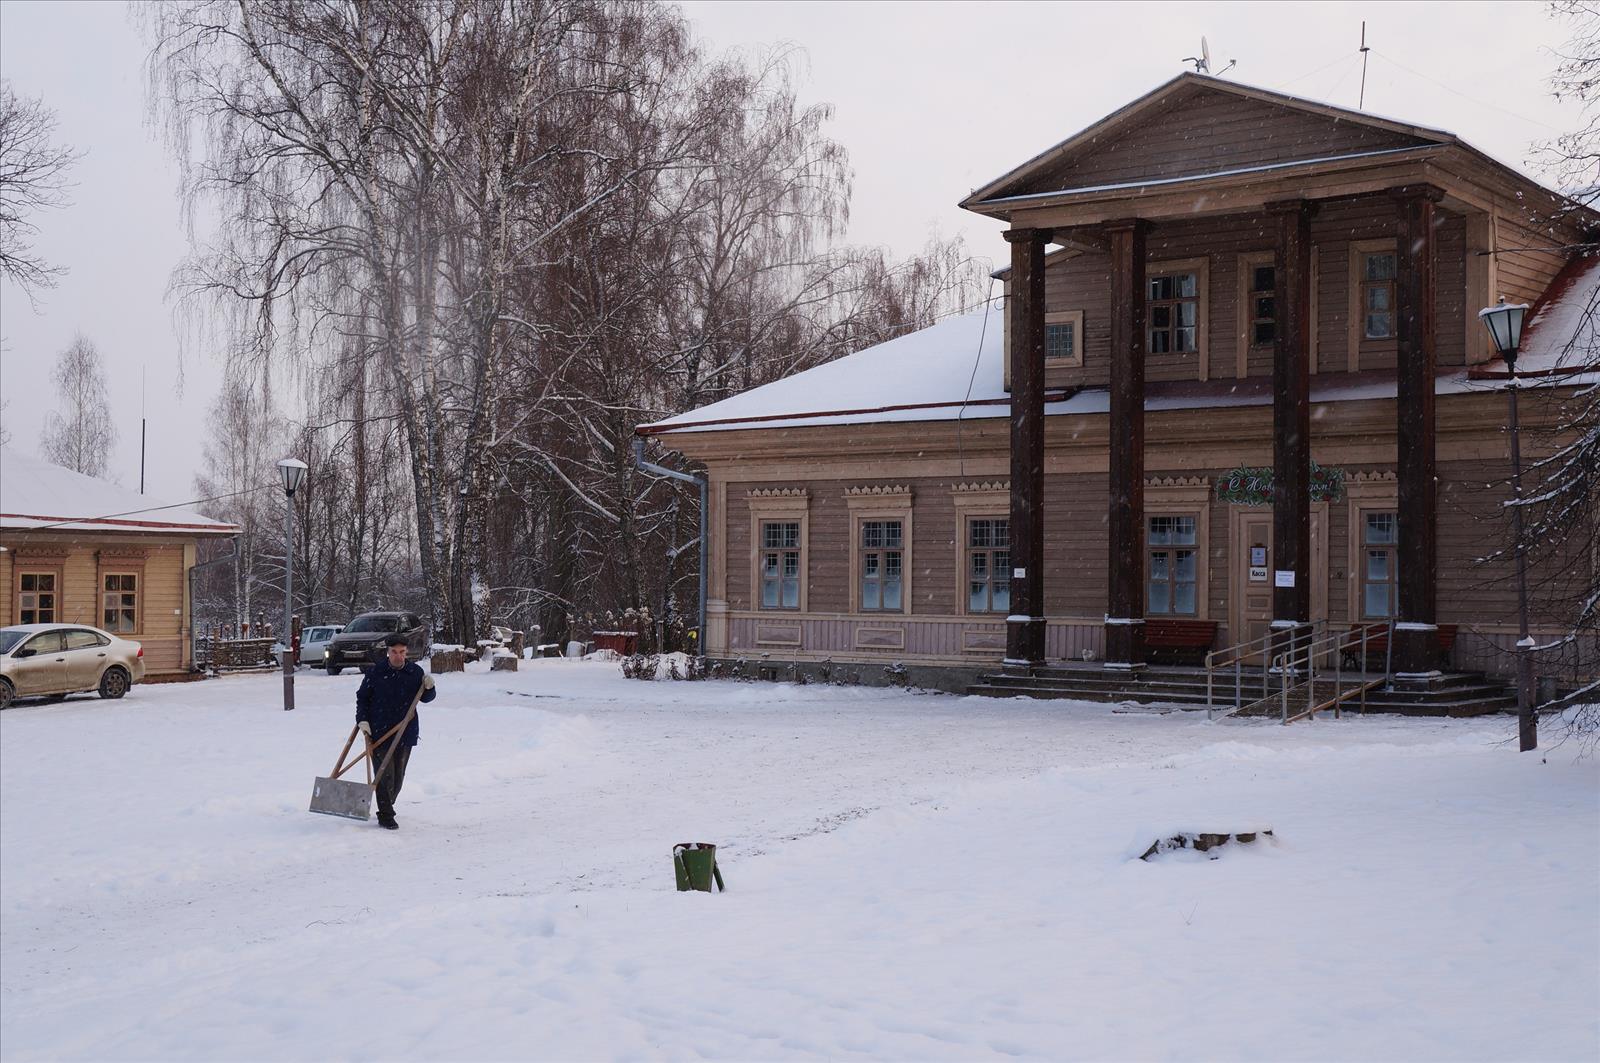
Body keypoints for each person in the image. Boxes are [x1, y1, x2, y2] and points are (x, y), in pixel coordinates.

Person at [356, 633, 436, 830]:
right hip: (379, 730)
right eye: (394, 652)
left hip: (405, 730)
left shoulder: (414, 672)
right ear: (387, 652)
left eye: (402, 652)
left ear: (406, 652)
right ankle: (385, 814)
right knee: (384, 774)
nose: (398, 656)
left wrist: (430, 688)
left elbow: (426, 698)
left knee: (397, 777)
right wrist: (363, 721)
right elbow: (363, 698)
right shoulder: (375, 673)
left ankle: (387, 802)